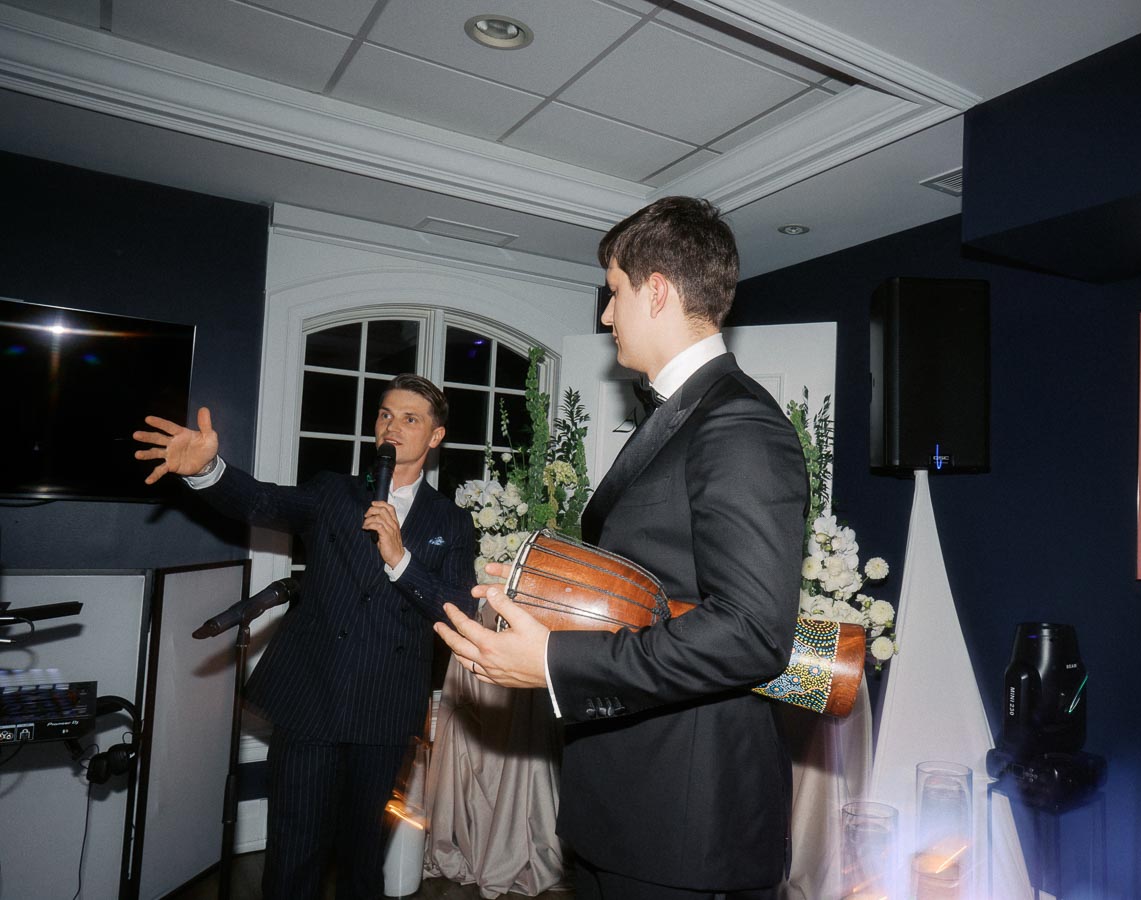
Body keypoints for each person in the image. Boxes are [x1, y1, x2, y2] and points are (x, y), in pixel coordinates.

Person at [434, 196, 809, 899]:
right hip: (626, 805)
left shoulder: (738, 425)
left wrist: (551, 659)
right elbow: (648, 588)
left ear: (657, 291)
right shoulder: (676, 413)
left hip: (685, 826)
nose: (606, 317)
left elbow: (754, 634)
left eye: (614, 294)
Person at [133, 373, 476, 900]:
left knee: (364, 859)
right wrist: (206, 470)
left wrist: (401, 561)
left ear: (435, 437)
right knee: (294, 854)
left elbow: (459, 610)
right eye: (385, 414)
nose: (393, 426)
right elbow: (263, 501)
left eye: (411, 419)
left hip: (384, 706)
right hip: (312, 696)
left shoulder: (451, 522)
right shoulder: (333, 491)